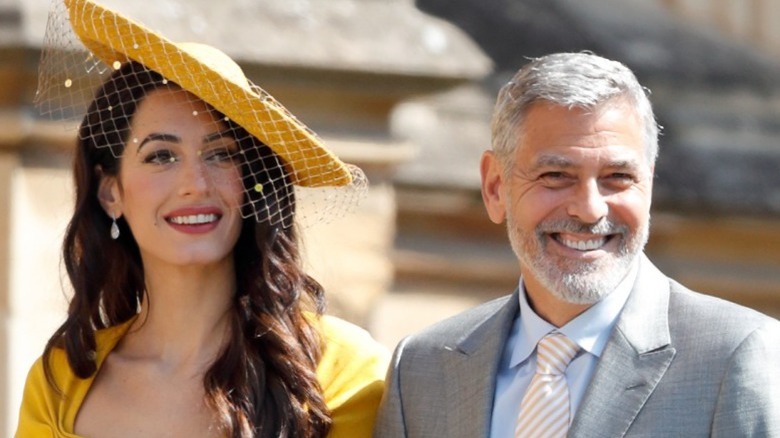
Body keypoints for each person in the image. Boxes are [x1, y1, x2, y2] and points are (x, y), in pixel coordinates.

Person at [17, 0, 388, 437]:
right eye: (161, 156)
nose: (195, 182)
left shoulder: (342, 371)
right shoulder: (61, 379)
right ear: (110, 192)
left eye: (220, 155)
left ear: (250, 183)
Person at [374, 52, 780, 437]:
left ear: (649, 184)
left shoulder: (737, 357)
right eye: (555, 175)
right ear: (496, 187)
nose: (589, 209)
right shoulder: (422, 369)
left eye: (618, 177)